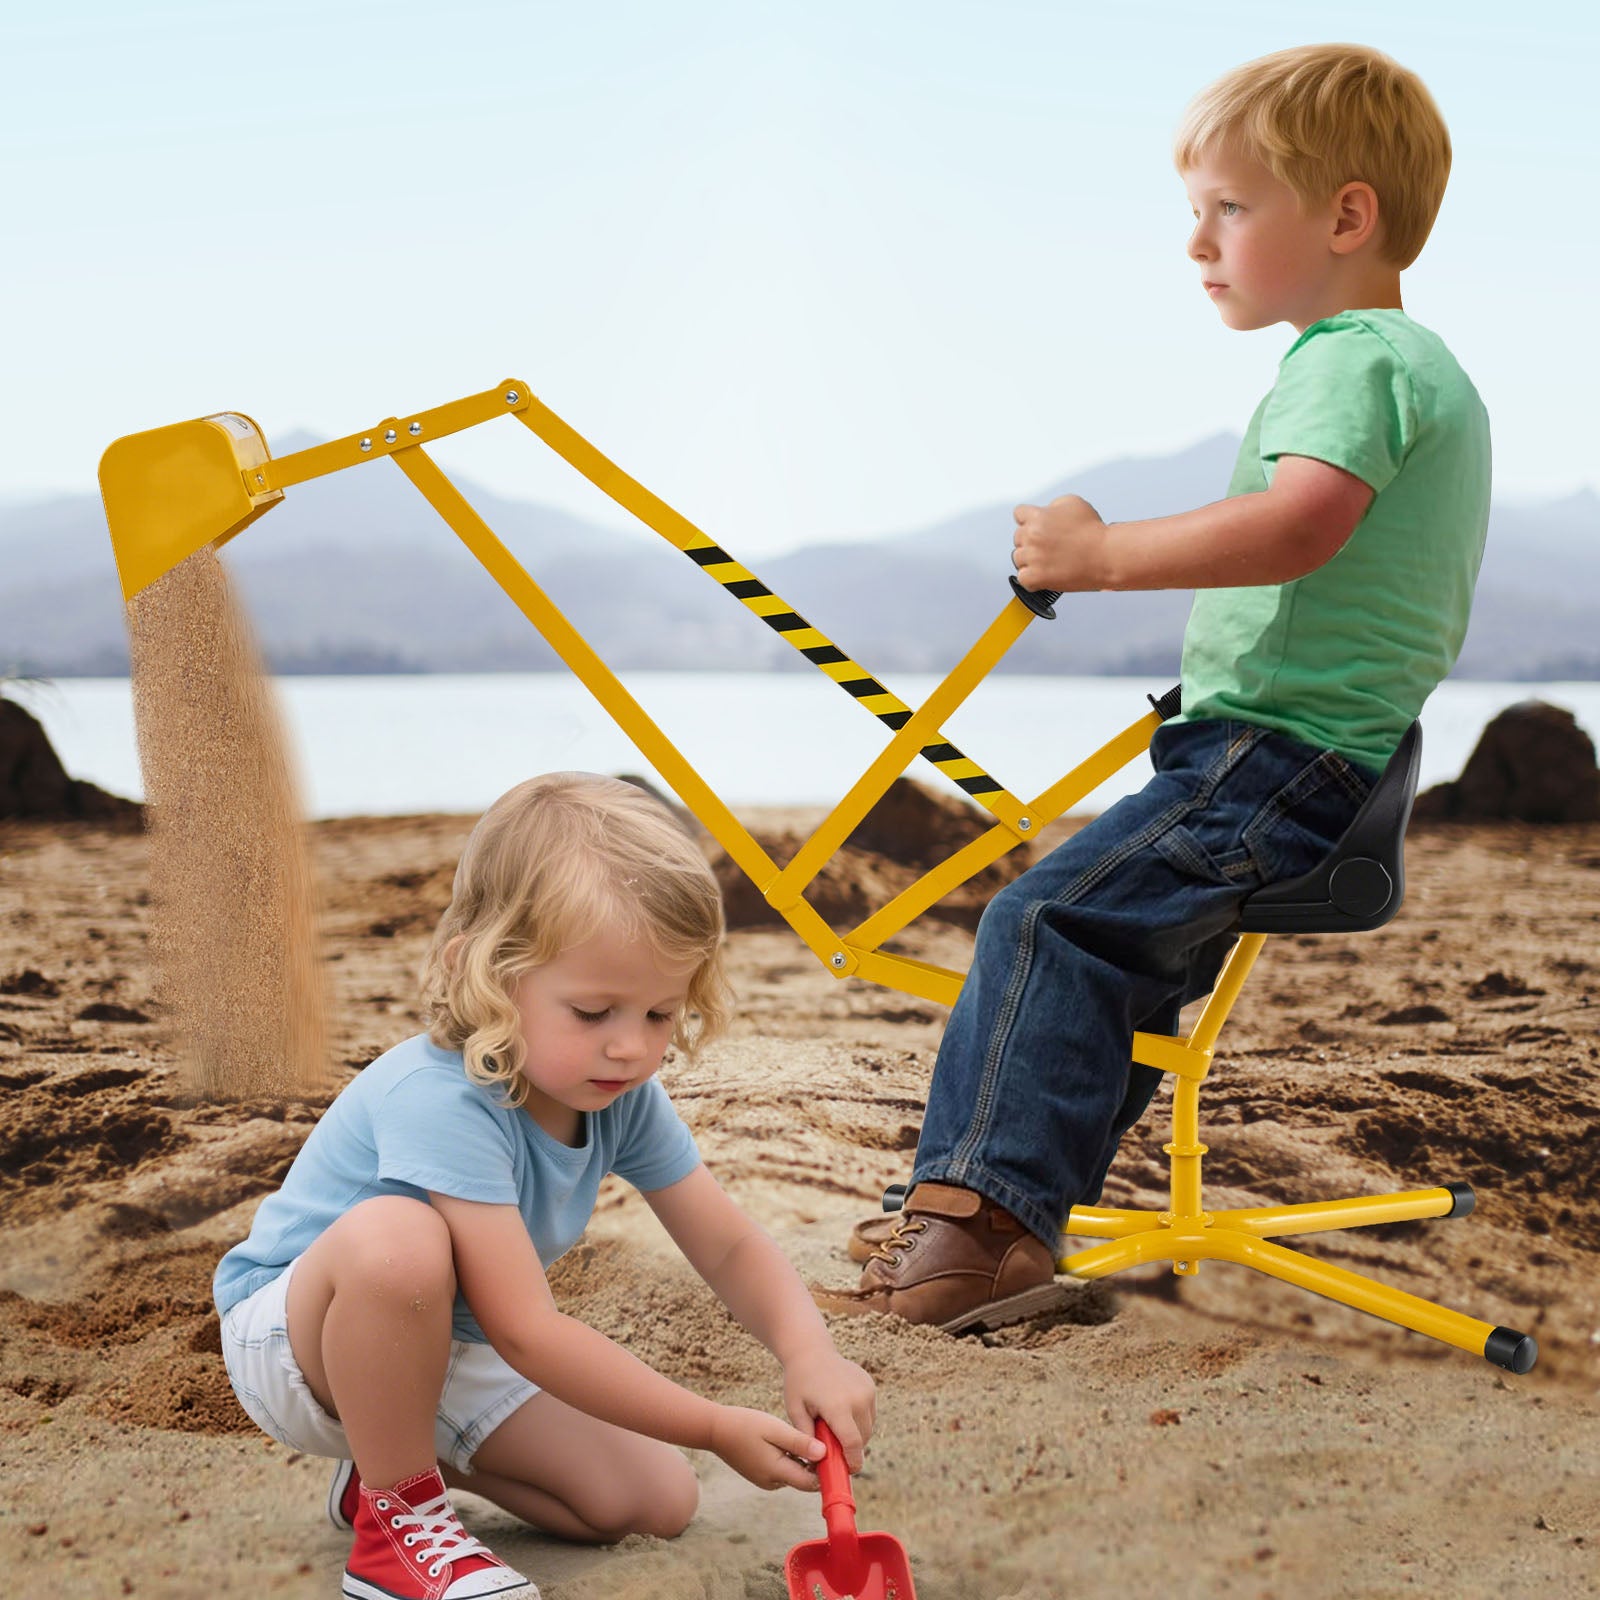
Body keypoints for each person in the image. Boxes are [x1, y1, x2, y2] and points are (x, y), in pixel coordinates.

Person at [815, 43, 1489, 1331]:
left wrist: (1100, 554)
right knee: (1109, 964)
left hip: (1269, 759)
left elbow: (1298, 525)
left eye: (1228, 208)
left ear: (1345, 217)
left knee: (1044, 923)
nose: (1197, 243)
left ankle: (974, 1234)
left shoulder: (1351, 357)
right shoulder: (1412, 366)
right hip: (1303, 756)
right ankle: (1008, 1219)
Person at [214, 772, 875, 1600]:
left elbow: (730, 1244)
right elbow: (526, 1331)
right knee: (400, 1240)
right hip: (299, 1339)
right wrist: (711, 1424)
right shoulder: (441, 1098)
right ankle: (395, 1531)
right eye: (593, 1012)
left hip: (444, 1347)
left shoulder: (619, 1097)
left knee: (651, 1500)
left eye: (659, 1014)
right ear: (486, 974)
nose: (630, 1047)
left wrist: (809, 1351)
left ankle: (387, 1467)